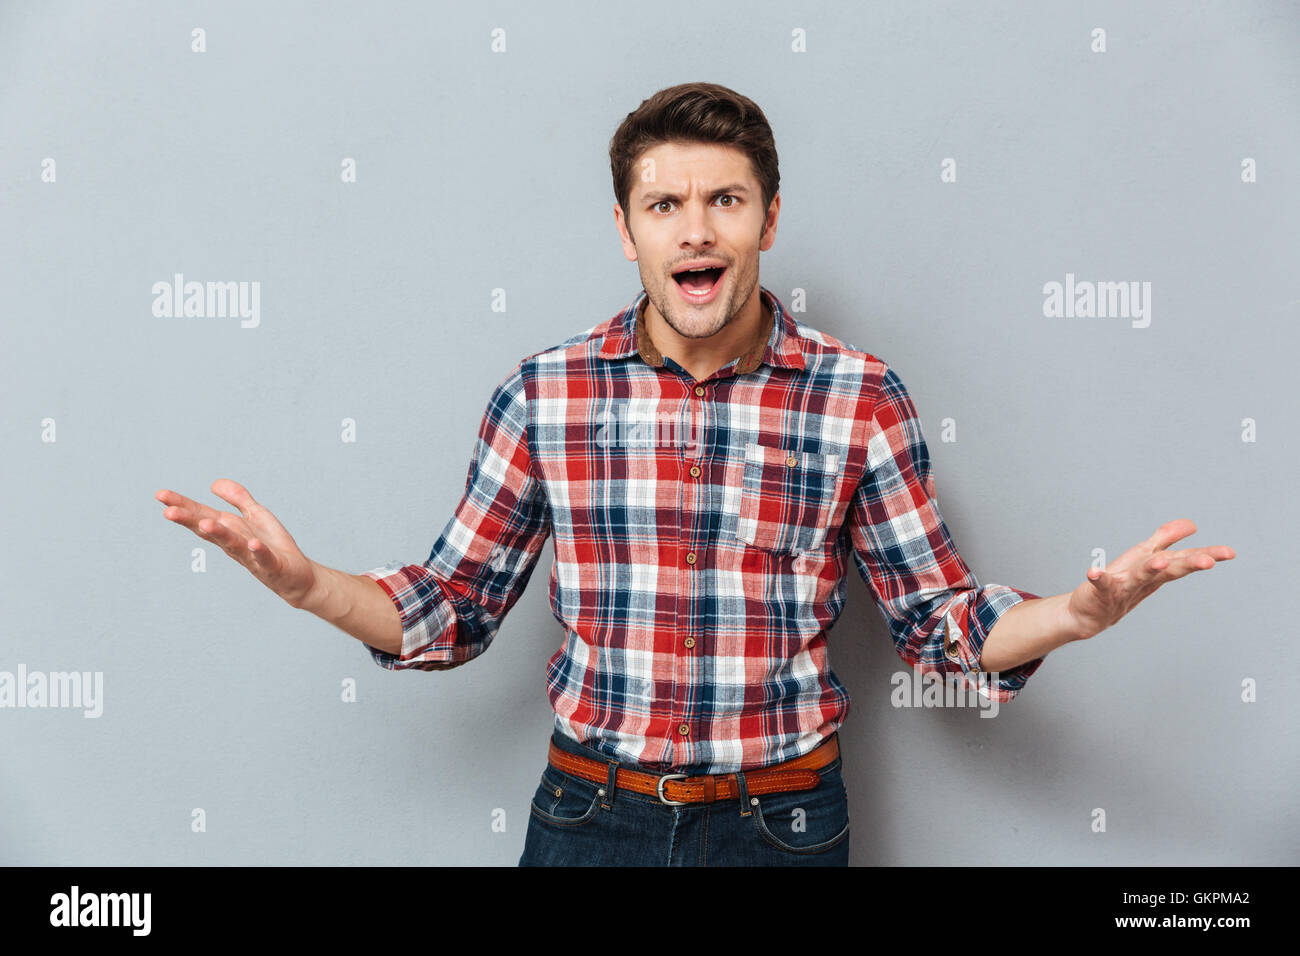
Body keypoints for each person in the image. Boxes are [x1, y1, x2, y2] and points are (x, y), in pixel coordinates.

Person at [155, 81, 1235, 866]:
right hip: (589, 818)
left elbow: (937, 622)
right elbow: (452, 606)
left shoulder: (859, 396)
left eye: (725, 199)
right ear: (624, 230)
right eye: (663, 205)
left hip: (784, 823)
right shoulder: (545, 393)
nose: (695, 229)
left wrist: (1075, 616)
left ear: (769, 217)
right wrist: (310, 586)